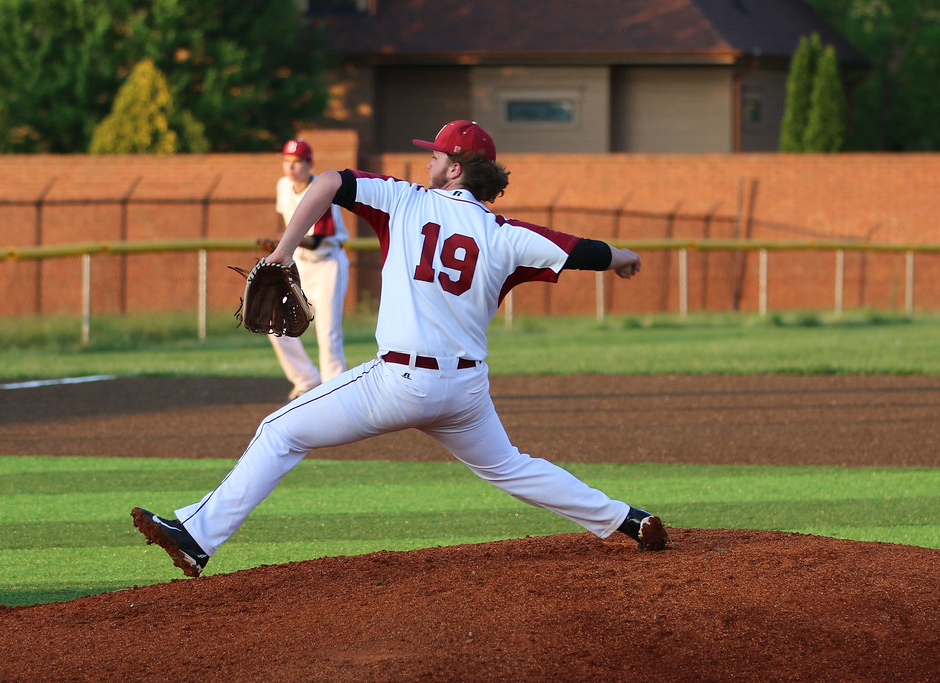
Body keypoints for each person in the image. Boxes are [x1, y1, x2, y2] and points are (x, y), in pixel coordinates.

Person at [132, 120, 668, 578]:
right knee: (510, 466)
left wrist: (281, 251)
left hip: (400, 382)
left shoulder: (404, 200)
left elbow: (326, 182)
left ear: (455, 167)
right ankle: (626, 519)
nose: (428, 161)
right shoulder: (508, 234)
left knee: (281, 429)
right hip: (465, 391)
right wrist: (623, 257)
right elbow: (585, 251)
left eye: (434, 154)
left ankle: (197, 538)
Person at [267, 138, 350, 400]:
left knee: (328, 333)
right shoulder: (283, 186)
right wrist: (283, 244)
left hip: (327, 264)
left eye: (297, 162)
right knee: (274, 322)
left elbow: (315, 241)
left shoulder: (321, 190)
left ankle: (334, 392)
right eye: (287, 161)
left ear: (309, 164)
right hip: (297, 262)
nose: (291, 168)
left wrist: (282, 243)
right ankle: (307, 380)